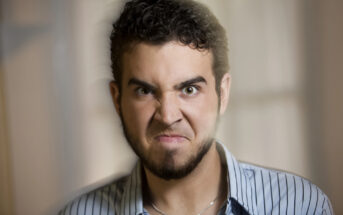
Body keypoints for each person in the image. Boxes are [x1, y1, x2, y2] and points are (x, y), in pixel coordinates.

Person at [59, 0, 333, 214]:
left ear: (222, 94)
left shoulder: (301, 206)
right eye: (144, 91)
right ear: (116, 99)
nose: (167, 115)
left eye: (189, 89)